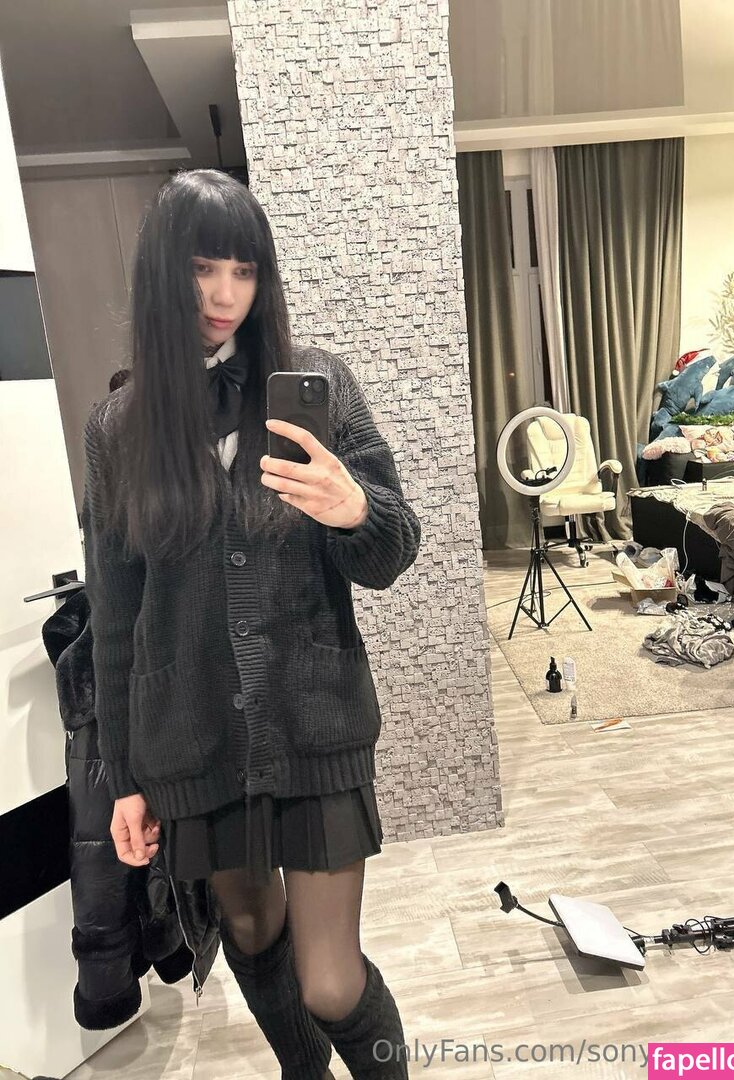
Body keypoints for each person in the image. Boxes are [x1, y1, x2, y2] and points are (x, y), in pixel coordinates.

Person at [80, 168, 421, 1079]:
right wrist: (123, 779)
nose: (225, 294)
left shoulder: (319, 386)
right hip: (191, 738)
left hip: (313, 726)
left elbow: (394, 551)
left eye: (244, 269)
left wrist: (355, 509)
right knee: (250, 928)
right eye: (203, 269)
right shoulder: (119, 429)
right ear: (163, 275)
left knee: (331, 983)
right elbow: (116, 617)